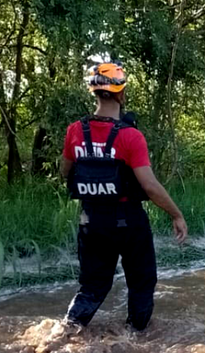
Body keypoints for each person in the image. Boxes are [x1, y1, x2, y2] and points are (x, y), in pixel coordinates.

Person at [60, 62, 187, 332]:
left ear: (94, 92)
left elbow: (65, 172)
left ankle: (65, 334)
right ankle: (136, 342)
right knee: (141, 285)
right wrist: (176, 214)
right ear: (121, 93)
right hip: (129, 222)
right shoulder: (131, 136)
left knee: (92, 287)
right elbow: (150, 187)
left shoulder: (74, 131)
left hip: (90, 221)